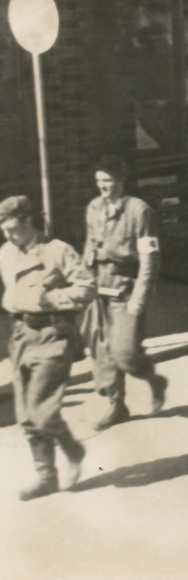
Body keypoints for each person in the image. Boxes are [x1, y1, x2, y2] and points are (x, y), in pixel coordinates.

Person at [0, 196, 94, 500]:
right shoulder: (5, 253)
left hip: (53, 335)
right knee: (26, 415)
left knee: (42, 409)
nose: (9, 237)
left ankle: (72, 450)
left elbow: (87, 287)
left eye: (14, 229)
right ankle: (47, 476)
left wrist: (51, 299)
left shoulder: (57, 250)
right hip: (21, 337)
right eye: (4, 231)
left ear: (29, 222)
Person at [83, 155, 168, 430]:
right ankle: (117, 406)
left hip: (125, 290)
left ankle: (153, 379)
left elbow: (150, 259)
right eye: (99, 181)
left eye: (108, 181)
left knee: (126, 354)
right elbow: (89, 245)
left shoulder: (138, 211)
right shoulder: (94, 208)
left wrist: (139, 298)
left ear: (121, 181)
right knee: (103, 354)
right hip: (99, 289)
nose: (103, 186)